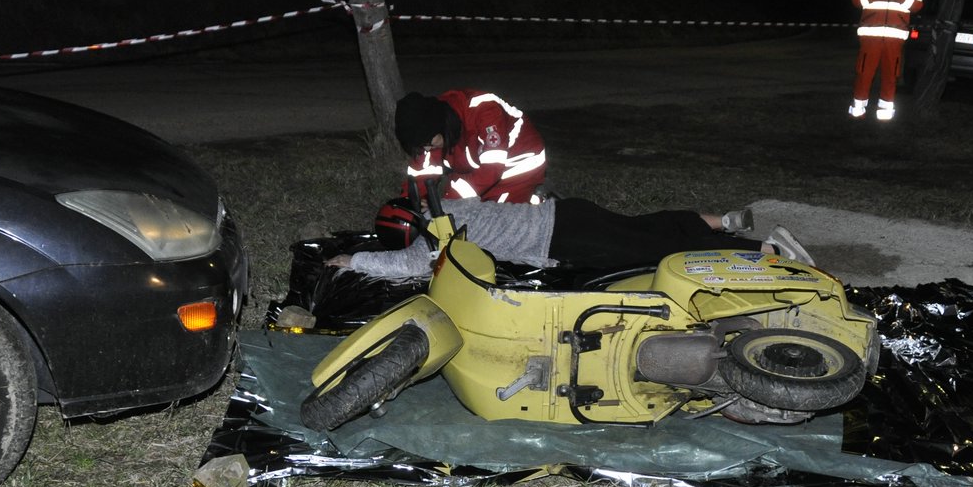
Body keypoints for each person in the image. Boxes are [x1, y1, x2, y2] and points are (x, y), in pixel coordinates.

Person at [333, 196, 813, 281]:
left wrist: (353, 261)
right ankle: (722, 222)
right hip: (568, 212)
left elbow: (409, 266)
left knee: (659, 255)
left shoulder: (435, 239)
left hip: (563, 241)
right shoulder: (448, 205)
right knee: (644, 226)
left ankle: (768, 251)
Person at [395, 89, 548, 204]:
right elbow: (422, 171)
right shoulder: (434, 124)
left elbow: (491, 171)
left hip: (518, 162)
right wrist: (408, 202)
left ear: (441, 127)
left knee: (496, 219)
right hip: (479, 165)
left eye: (428, 143)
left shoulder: (485, 111)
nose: (427, 149)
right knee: (460, 211)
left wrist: (447, 203)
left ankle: (535, 202)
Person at [849, 0, 924, 122]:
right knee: (864, 73)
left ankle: (884, 115)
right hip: (870, 39)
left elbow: (917, 5)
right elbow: (856, 0)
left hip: (895, 40)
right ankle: (857, 112)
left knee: (891, 76)